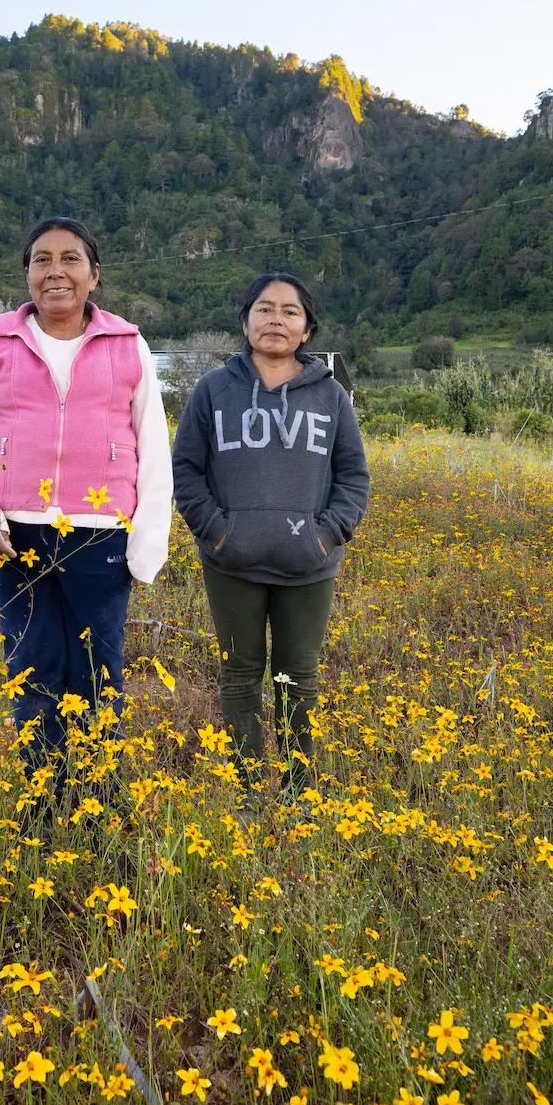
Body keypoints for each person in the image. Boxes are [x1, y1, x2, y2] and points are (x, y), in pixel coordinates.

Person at [0, 217, 173, 808]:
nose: (56, 271)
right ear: (27, 275)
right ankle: (43, 802)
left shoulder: (128, 345)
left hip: (99, 536)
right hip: (15, 533)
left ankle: (98, 801)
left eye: (70, 259)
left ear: (93, 276)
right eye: (42, 260)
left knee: (98, 670)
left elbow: (154, 445)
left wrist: (147, 540)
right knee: (33, 665)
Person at [172, 272, 370, 802]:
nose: (276, 320)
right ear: (245, 322)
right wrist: (216, 531)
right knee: (240, 674)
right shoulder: (213, 390)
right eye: (264, 309)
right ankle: (245, 791)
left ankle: (300, 792)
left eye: (289, 312)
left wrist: (326, 536)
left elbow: (353, 477)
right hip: (230, 560)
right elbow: (186, 470)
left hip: (309, 563)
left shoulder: (331, 397)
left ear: (306, 330)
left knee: (298, 677)